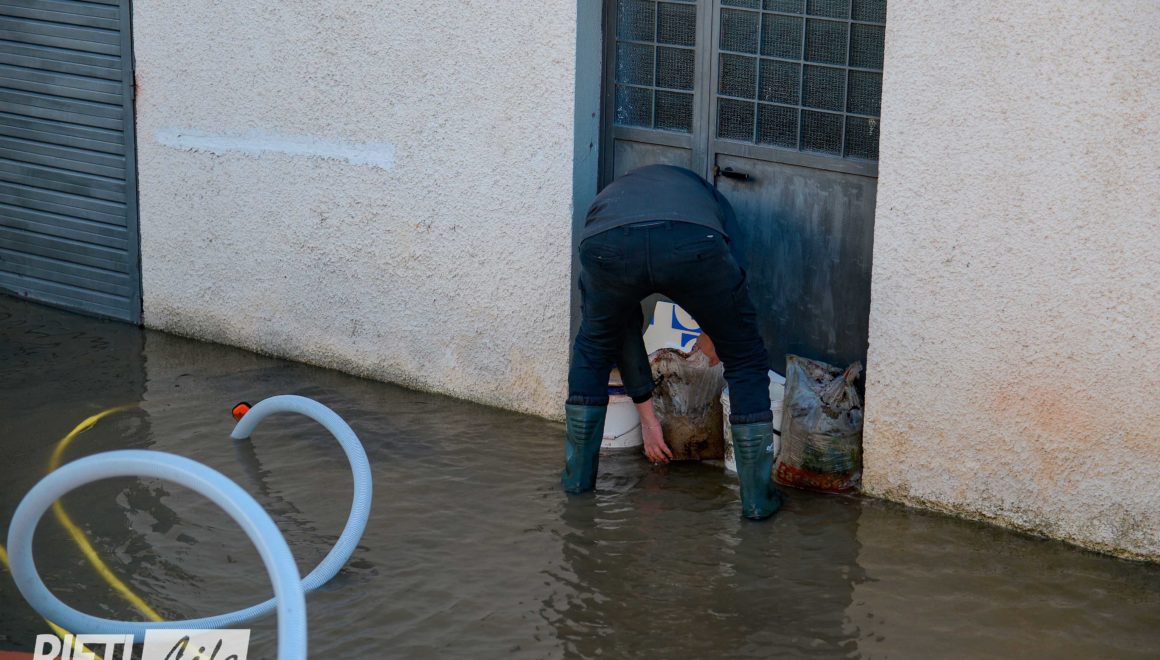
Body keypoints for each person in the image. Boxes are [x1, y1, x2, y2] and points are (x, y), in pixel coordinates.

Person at [562, 164, 784, 520]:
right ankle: (758, 502)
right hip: (692, 243)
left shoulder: (610, 200)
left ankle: (576, 485)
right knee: (745, 358)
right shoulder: (708, 197)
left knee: (593, 349)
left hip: (607, 245)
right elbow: (735, 269)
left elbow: (620, 330)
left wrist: (648, 419)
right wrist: (716, 333)